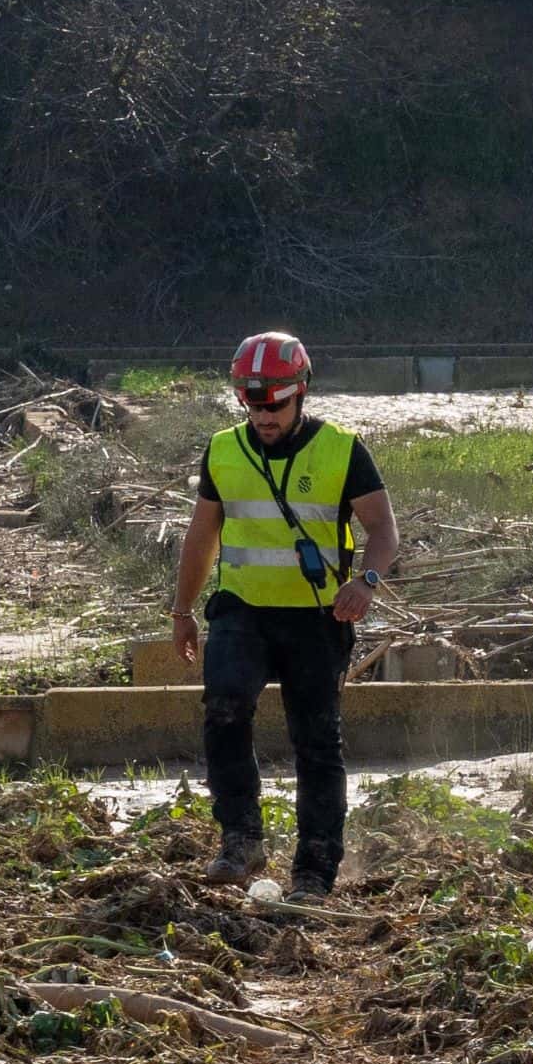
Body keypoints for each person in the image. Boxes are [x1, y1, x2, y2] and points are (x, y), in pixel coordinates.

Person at [169, 332, 400, 902]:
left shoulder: (344, 450)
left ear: (300, 394)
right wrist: (182, 610)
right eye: (252, 402)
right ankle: (241, 839)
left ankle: (316, 869)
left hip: (317, 619)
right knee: (224, 705)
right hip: (241, 609)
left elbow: (383, 531)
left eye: (274, 402)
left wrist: (365, 582)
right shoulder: (224, 449)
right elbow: (203, 537)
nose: (263, 414)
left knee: (317, 741)